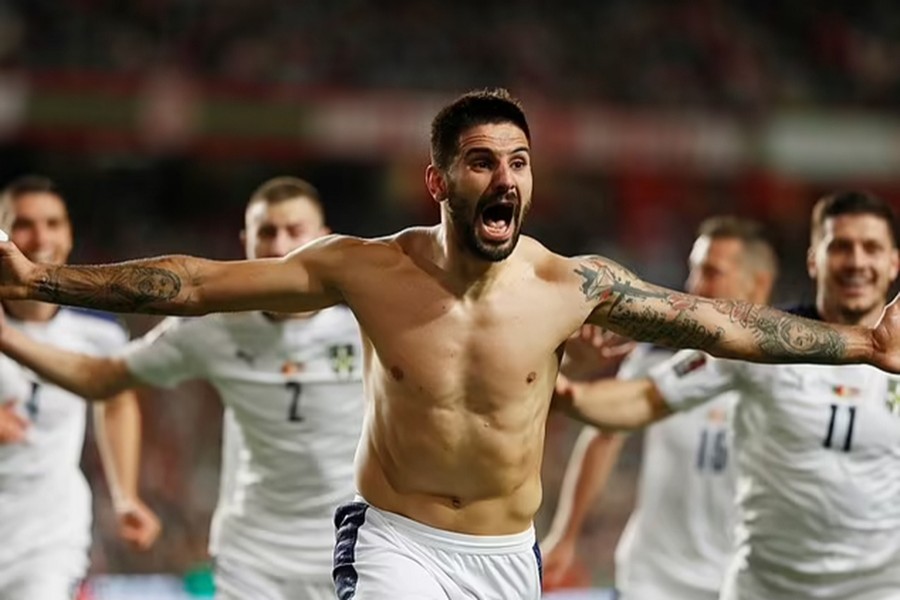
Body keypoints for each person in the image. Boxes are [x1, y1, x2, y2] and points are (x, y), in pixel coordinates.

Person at [0, 90, 898, 599]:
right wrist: (40, 281)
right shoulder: (366, 271)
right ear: (439, 179)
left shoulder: (569, 286)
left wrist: (857, 343)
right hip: (396, 542)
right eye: (481, 161)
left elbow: (720, 324)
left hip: (508, 554)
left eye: (519, 161)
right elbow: (193, 283)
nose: (504, 177)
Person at [0, 176, 365, 600]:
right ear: (246, 242)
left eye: (294, 231)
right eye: (267, 232)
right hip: (253, 555)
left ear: (324, 240)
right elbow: (102, 379)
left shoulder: (367, 326)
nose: (279, 246)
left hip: (350, 546)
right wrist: (7, 337)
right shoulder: (212, 331)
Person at [553, 191, 900, 599]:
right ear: (813, 259)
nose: (857, 262)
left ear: (893, 261)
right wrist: (554, 388)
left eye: (871, 248)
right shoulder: (760, 343)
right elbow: (642, 400)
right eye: (841, 247)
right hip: (765, 587)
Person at [542, 216, 778, 599]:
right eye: (693, 270)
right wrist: (565, 535)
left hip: (742, 583)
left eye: (711, 272)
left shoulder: (792, 377)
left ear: (760, 283)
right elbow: (604, 437)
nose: (693, 287)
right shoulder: (658, 358)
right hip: (652, 580)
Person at [0, 175, 159, 600]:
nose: (40, 237)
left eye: (53, 223)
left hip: (46, 535)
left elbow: (117, 401)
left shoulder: (98, 330)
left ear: (69, 234)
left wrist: (125, 495)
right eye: (24, 224)